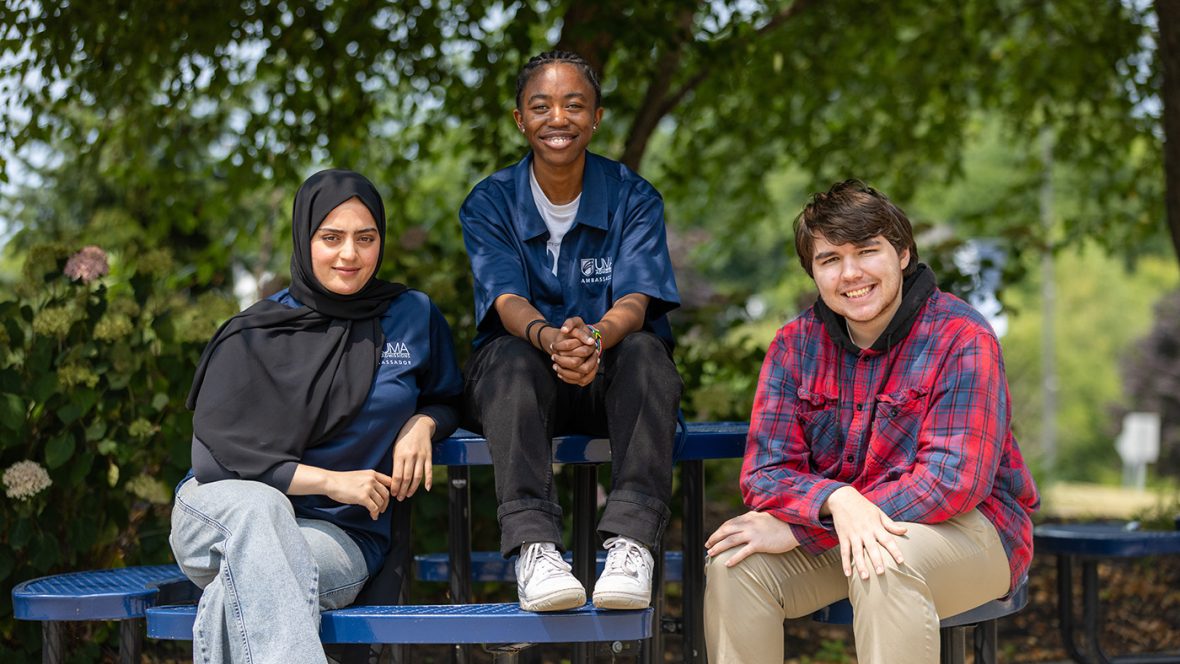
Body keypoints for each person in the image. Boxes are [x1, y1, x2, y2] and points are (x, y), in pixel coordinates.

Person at [703, 180, 1039, 663]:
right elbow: (764, 474)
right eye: (830, 259)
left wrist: (806, 529)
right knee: (736, 565)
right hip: (849, 533)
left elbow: (952, 482)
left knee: (882, 564)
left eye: (866, 251)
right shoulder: (794, 346)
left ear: (902, 254)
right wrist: (837, 500)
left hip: (972, 529)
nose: (850, 273)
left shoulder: (962, 337)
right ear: (813, 272)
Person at [170, 169, 463, 663]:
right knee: (262, 513)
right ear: (305, 239)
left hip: (339, 536)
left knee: (235, 593)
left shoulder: (411, 315)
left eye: (365, 239)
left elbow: (453, 395)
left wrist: (424, 423)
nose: (349, 254)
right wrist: (332, 482)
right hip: (220, 509)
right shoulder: (254, 333)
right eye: (331, 238)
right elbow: (220, 460)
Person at [459, 50, 682, 612]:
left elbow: (637, 296)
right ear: (520, 119)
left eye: (574, 104)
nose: (558, 118)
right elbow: (505, 297)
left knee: (648, 356)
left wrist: (597, 338)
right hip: (524, 389)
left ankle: (632, 544)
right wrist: (549, 338)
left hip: (612, 384)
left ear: (597, 117)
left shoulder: (633, 196)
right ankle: (535, 549)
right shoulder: (490, 201)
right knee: (509, 360)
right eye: (541, 106)